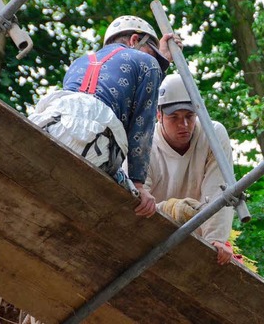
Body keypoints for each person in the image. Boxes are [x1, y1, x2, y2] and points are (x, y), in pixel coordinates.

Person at [29, 15, 182, 218]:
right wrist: (138, 186)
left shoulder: (80, 62)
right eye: (152, 53)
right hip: (95, 140)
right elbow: (141, 128)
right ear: (134, 40)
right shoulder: (147, 63)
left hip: (45, 124)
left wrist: (160, 58)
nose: (155, 60)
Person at [145, 74, 235, 265]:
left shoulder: (213, 135)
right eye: (174, 117)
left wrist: (215, 240)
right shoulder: (145, 142)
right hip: (151, 238)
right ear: (159, 115)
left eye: (189, 116)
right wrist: (170, 210)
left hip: (198, 239)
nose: (184, 125)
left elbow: (220, 189)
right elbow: (136, 201)